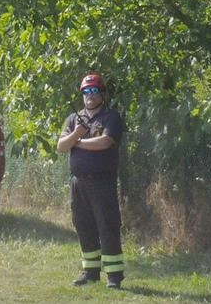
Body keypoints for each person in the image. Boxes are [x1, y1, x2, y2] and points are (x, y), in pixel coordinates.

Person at [56, 72, 126, 289]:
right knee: (83, 226)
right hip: (78, 183)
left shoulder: (111, 117)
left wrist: (77, 141)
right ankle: (91, 273)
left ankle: (114, 277)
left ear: (102, 94)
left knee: (107, 226)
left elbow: (105, 142)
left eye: (94, 90)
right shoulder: (73, 120)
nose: (90, 95)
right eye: (86, 91)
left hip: (102, 182)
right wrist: (77, 132)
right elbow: (60, 146)